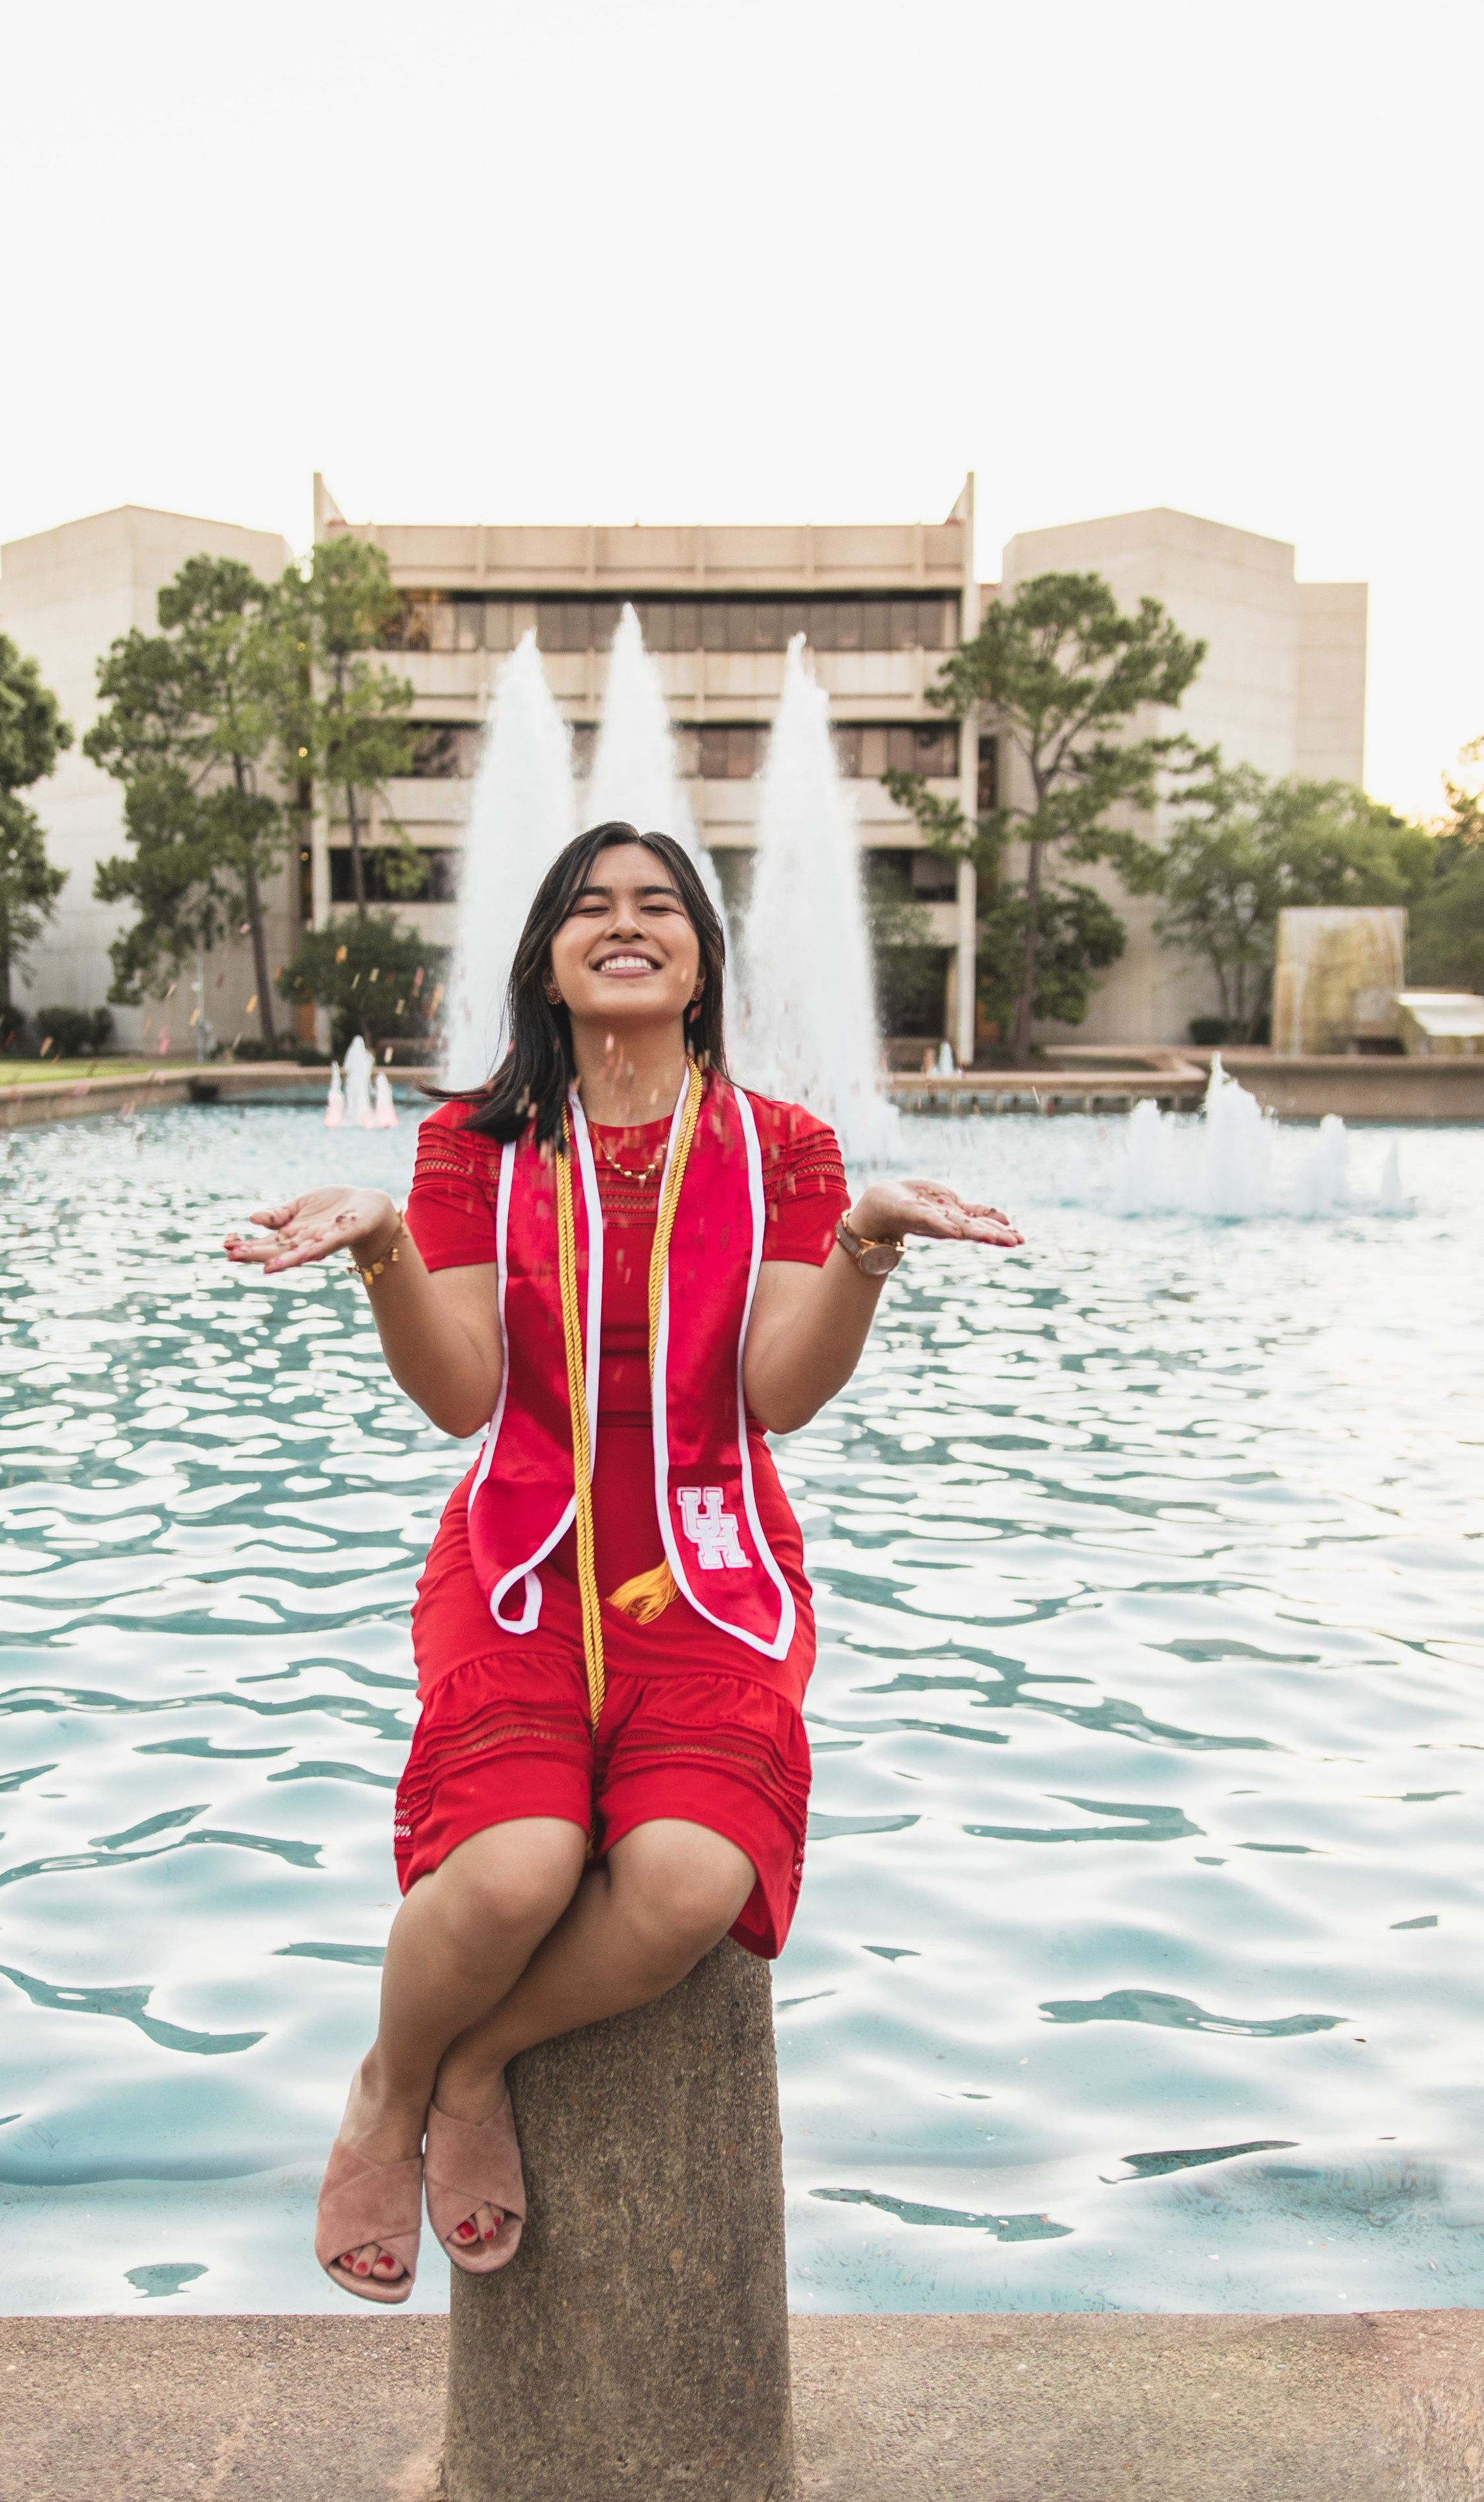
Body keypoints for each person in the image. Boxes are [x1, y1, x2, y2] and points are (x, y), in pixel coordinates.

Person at [225, 820, 1021, 2301]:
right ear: (547, 963)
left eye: (660, 905)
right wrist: (384, 1250)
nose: (625, 924)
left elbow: (776, 1393)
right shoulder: (473, 1148)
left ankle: (474, 2064)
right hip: (521, 1559)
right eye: (588, 907)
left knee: (684, 1883)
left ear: (704, 965)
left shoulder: (784, 1148)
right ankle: (385, 2092)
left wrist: (864, 1246)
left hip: (708, 1567)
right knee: (514, 1867)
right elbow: (464, 1396)